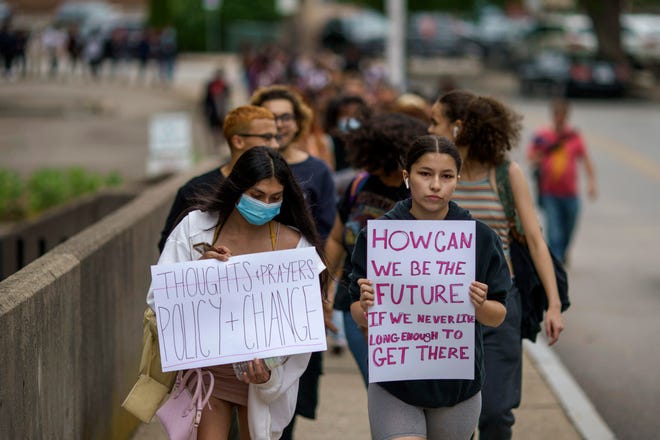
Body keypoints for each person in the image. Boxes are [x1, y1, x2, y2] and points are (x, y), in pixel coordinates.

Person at [147, 146, 328, 439]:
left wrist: (270, 378)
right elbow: (159, 299)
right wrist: (197, 275)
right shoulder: (196, 228)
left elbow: (303, 331)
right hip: (208, 377)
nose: (265, 204)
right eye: (257, 195)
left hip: (261, 382)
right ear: (237, 187)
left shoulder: (296, 246)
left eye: (275, 198)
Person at [349, 135, 511, 440]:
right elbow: (358, 313)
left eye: (446, 176)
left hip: (457, 388)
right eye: (425, 174)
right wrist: (366, 307)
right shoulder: (377, 237)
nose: (435, 185)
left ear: (457, 181)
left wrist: (480, 305)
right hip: (395, 385)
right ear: (407, 177)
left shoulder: (480, 238)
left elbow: (498, 315)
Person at [428, 90, 564, 439]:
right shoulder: (436, 177)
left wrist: (553, 303)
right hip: (445, 309)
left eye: (435, 121)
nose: (428, 129)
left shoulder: (505, 173)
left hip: (501, 305)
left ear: (457, 128)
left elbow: (535, 239)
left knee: (496, 413)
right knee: (450, 414)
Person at [250, 85, 337, 439]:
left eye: (286, 117)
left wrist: (323, 294)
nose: (279, 125)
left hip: (294, 305)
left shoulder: (318, 170)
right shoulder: (243, 173)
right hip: (246, 304)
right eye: (270, 118)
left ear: (297, 121)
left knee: (285, 402)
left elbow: (326, 237)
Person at [324, 113, 427, 385]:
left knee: (410, 390)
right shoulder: (359, 184)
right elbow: (336, 238)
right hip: (356, 306)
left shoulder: (421, 194)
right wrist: (323, 287)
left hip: (408, 312)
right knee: (379, 389)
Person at [158, 105, 280, 253]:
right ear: (238, 141)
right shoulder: (196, 190)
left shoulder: (281, 184)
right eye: (267, 137)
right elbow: (171, 246)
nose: (275, 145)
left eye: (275, 198)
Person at [528, 98, 597, 264]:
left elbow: (585, 160)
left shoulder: (574, 137)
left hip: (570, 193)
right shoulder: (542, 136)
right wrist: (541, 155)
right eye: (556, 115)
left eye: (562, 115)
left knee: (569, 228)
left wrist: (591, 182)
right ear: (552, 115)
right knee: (554, 231)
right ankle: (556, 263)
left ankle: (562, 253)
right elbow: (531, 157)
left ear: (566, 116)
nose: (559, 118)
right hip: (549, 191)